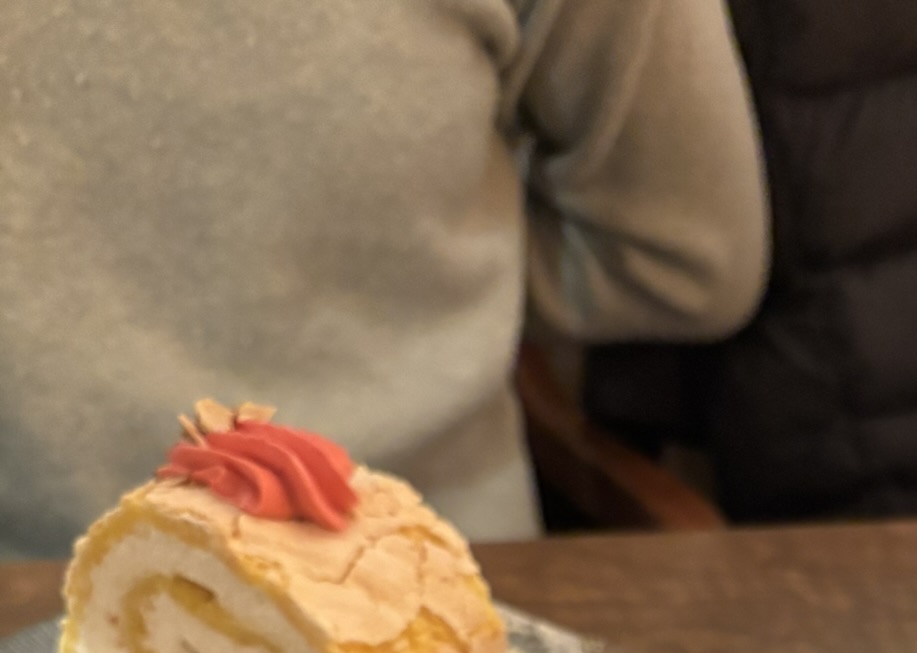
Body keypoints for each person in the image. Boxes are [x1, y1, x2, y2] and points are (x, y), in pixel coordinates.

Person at [0, 0, 768, 557]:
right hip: (444, 589)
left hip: (427, 610)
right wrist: (423, 272)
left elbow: (688, 265)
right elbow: (687, 261)